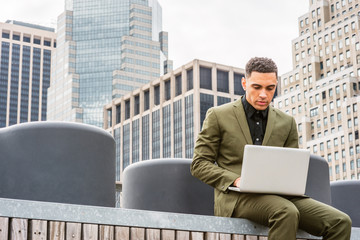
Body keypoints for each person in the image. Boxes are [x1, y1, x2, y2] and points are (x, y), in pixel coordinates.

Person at [190, 57, 352, 240]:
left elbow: (291, 167)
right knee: (285, 212)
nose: (263, 95)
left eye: (270, 88)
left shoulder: (287, 122)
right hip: (236, 198)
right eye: (257, 87)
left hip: (281, 197)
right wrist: (235, 180)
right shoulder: (218, 116)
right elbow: (199, 164)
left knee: (340, 221)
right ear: (244, 83)